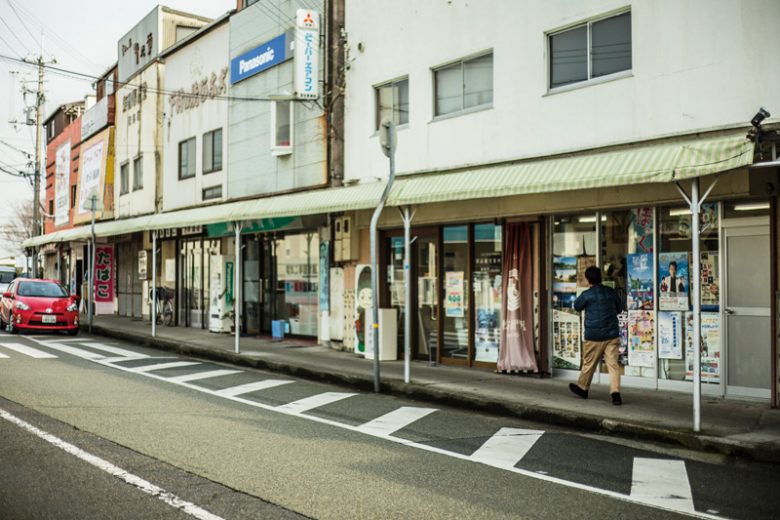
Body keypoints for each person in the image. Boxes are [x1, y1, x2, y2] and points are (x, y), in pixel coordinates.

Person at [569, 266, 624, 405]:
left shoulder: (587, 294)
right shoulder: (611, 292)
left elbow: (576, 306)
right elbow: (620, 308)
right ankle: (615, 393)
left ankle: (583, 388)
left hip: (593, 336)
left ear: (588, 280)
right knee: (613, 365)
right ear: (601, 278)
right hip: (611, 335)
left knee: (589, 363)